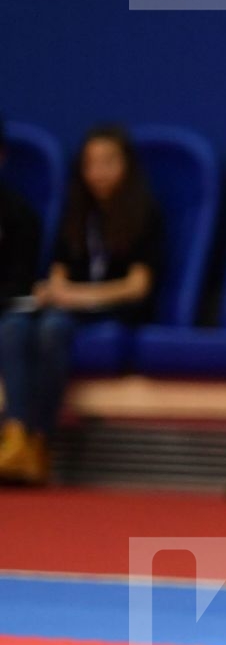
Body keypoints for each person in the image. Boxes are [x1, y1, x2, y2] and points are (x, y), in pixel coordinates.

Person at [0, 126, 161, 486]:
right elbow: (58, 275)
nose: (98, 173)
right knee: (18, 324)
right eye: (90, 164)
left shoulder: (144, 214)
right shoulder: (76, 213)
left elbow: (137, 287)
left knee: (55, 327)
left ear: (127, 166)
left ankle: (40, 440)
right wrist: (53, 291)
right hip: (72, 305)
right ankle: (15, 435)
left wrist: (80, 296)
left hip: (117, 308)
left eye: (108, 162)